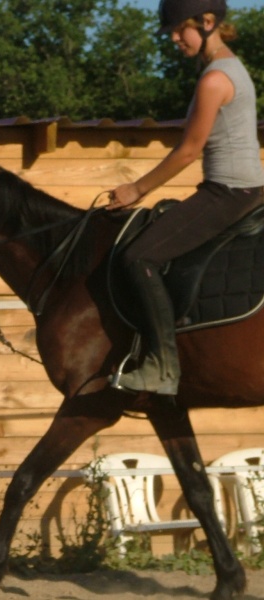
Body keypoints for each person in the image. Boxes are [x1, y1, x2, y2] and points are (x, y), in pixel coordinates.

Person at [107, 0, 264, 395]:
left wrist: (136, 189)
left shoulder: (214, 80)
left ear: (208, 22)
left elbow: (188, 150)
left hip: (228, 191)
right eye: (173, 31)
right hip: (240, 187)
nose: (175, 38)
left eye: (181, 29)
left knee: (138, 256)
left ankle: (162, 366)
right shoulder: (231, 69)